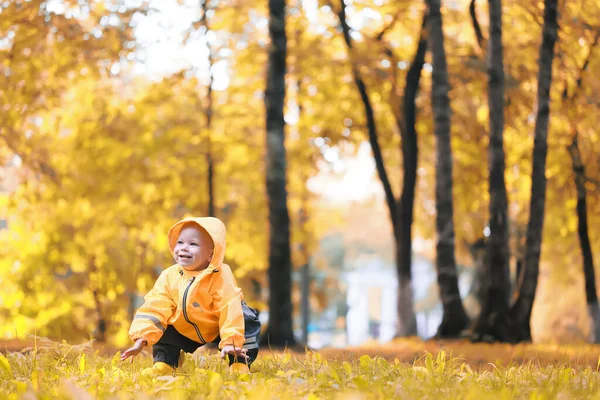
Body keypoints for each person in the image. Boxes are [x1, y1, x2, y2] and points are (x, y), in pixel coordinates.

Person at [120, 217, 261, 376]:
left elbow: (229, 307)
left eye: (193, 244)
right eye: (180, 243)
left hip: (218, 324)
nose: (184, 248)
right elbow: (155, 306)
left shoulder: (221, 275)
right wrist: (142, 337)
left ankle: (239, 364)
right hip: (186, 326)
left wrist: (231, 342)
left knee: (246, 319)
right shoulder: (170, 276)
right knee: (163, 321)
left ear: (211, 255)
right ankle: (166, 362)